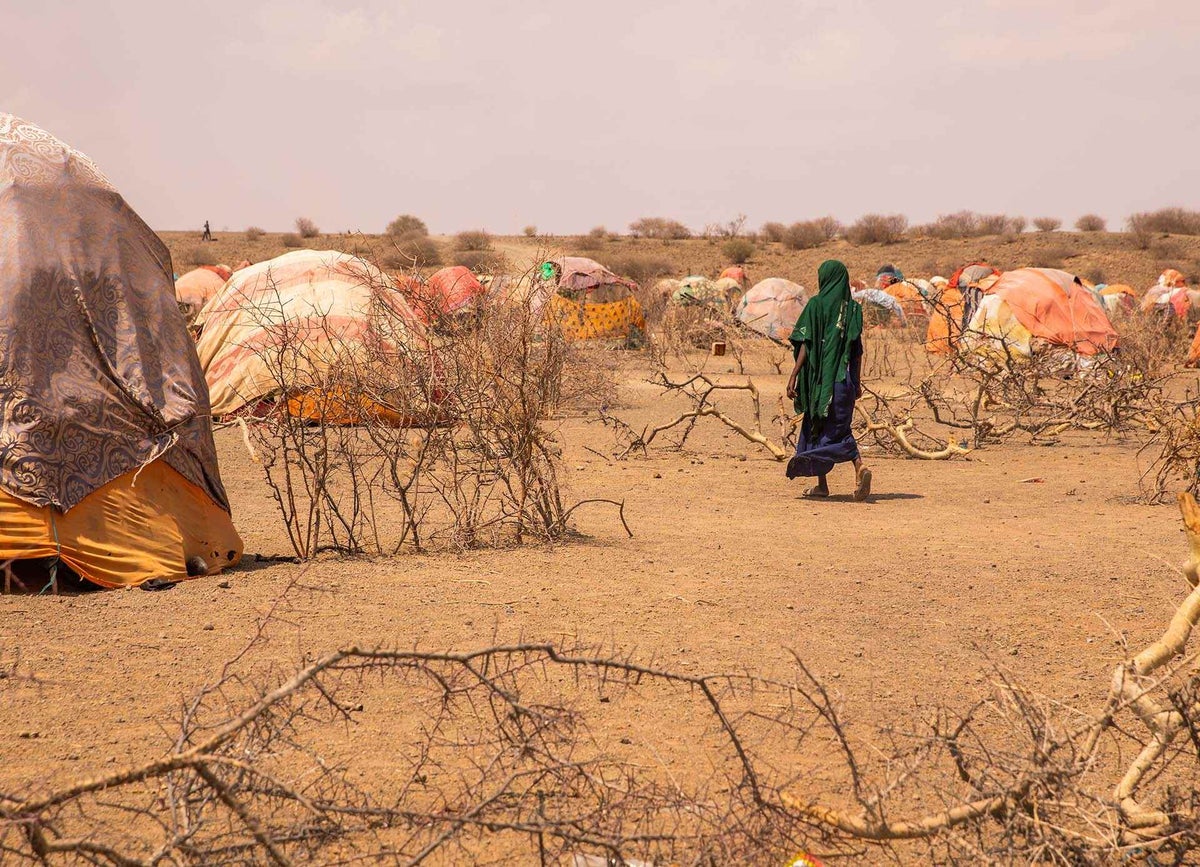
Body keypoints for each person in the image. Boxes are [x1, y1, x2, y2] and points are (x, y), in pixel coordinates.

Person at [785, 259, 872, 500]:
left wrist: (793, 375)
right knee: (837, 428)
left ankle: (852, 470)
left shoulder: (815, 305)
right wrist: (856, 382)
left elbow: (805, 343)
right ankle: (835, 479)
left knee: (816, 427)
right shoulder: (853, 311)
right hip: (843, 382)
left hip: (819, 383)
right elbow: (856, 352)